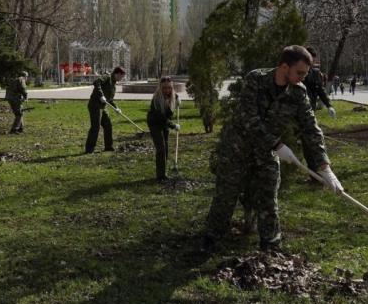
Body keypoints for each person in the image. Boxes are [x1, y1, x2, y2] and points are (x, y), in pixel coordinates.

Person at [202, 46, 343, 253]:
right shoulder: (255, 80)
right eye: (299, 73)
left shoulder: (298, 93)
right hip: (238, 148)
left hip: (267, 154)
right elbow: (248, 118)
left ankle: (271, 246)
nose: (302, 78)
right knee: (226, 195)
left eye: (305, 74)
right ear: (284, 66)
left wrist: (325, 167)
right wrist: (277, 145)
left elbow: (311, 129)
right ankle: (211, 240)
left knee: (269, 198)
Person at [146, 76, 180, 182]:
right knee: (161, 149)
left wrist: (177, 100)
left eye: (169, 88)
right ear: (160, 88)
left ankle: (163, 173)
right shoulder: (156, 99)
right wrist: (173, 125)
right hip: (155, 124)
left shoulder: (172, 96)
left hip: (164, 125)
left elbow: (168, 114)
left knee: (165, 148)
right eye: (164, 88)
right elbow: (161, 117)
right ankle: (160, 176)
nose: (167, 90)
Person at [85, 66, 126, 153]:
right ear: (117, 74)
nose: (122, 79)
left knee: (108, 125)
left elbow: (110, 100)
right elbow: (97, 82)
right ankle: (89, 149)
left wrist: (116, 108)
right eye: (122, 76)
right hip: (95, 105)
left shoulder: (113, 86)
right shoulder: (107, 77)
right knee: (95, 127)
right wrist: (101, 95)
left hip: (103, 107)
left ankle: (108, 146)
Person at [303, 47, 335, 117]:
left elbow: (321, 91)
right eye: (310, 61)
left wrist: (329, 106)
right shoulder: (296, 74)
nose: (312, 64)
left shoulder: (315, 73)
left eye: (313, 61)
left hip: (311, 109)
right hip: (298, 110)